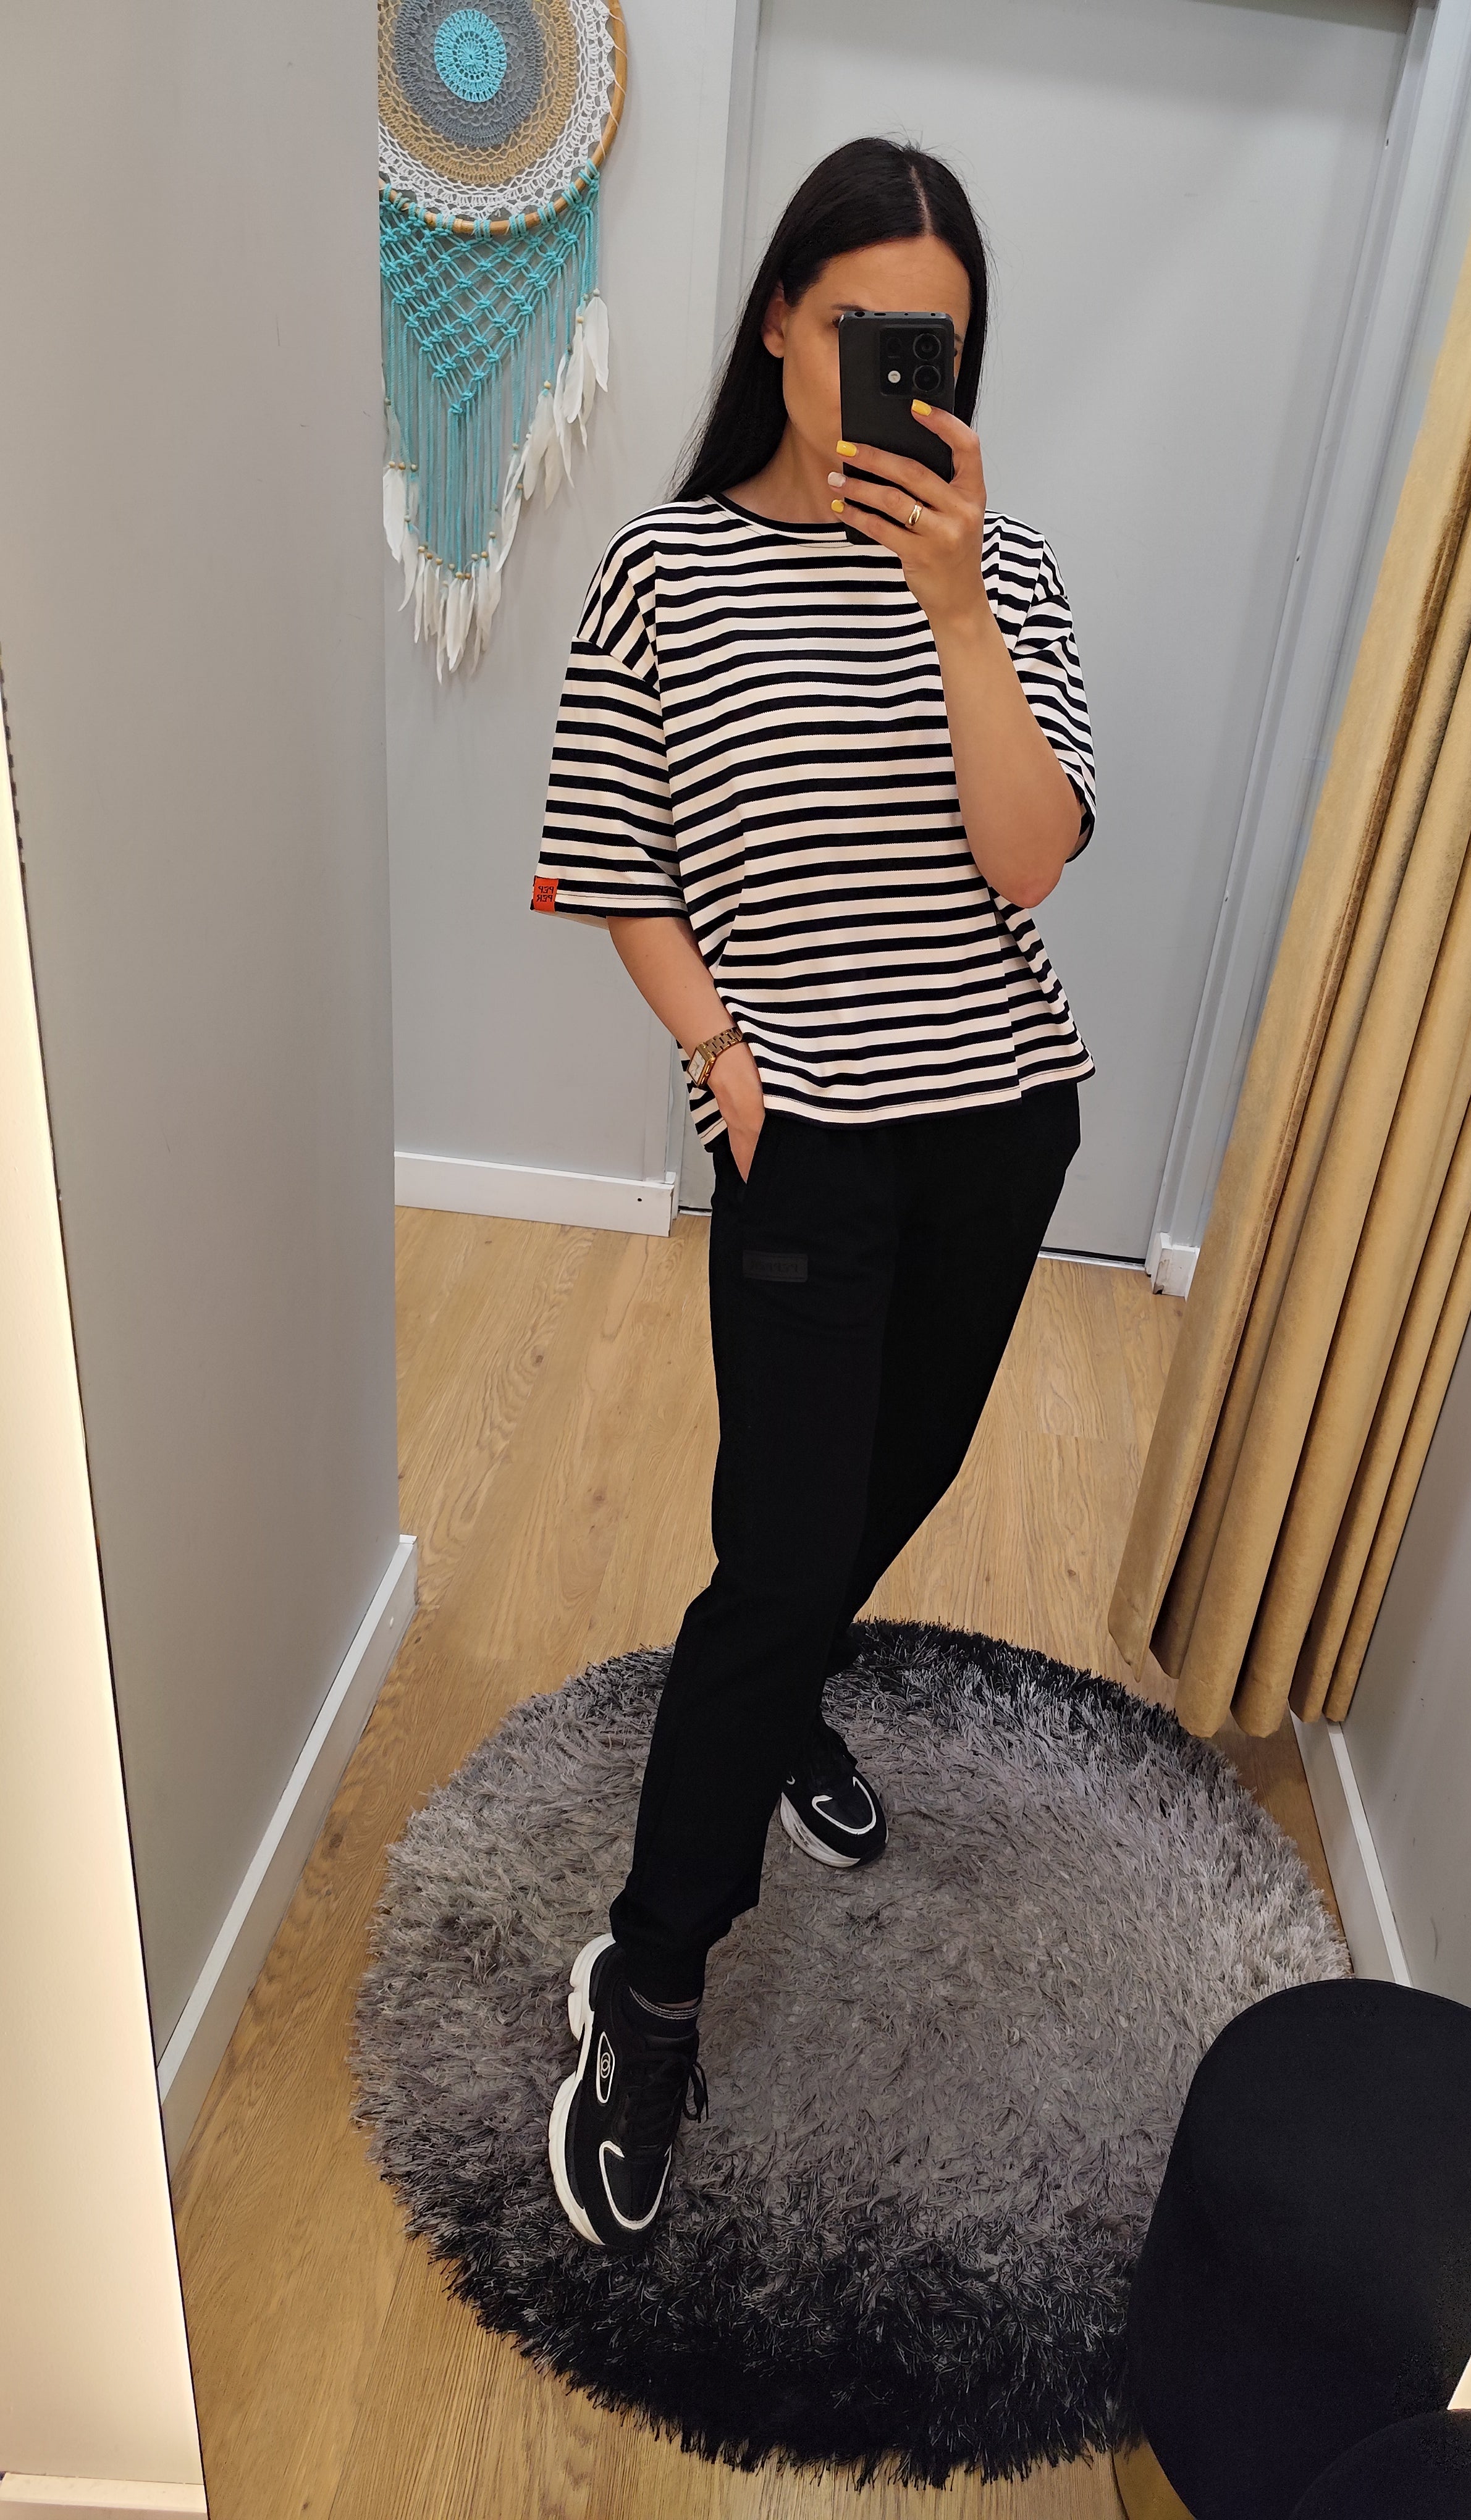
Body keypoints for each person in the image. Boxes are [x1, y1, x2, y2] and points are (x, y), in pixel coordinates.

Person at [531, 136, 1095, 2254]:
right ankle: (650, 1978)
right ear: (779, 317)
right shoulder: (662, 573)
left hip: (1000, 1121)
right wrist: (722, 1057)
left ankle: (771, 1719)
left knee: (892, 1479)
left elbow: (1026, 861)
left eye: (930, 340)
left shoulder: (1005, 574)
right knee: (774, 1570)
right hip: (805, 1135)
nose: (888, 368)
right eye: (859, 324)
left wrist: (951, 599)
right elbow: (614, 858)